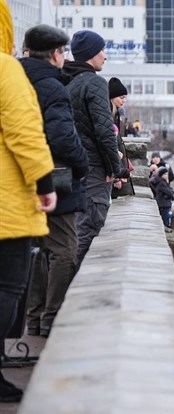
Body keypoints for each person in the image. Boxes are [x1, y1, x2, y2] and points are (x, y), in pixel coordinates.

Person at [0, 2, 57, 400]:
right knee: (7, 287)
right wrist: (44, 181)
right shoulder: (6, 71)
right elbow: (24, 132)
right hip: (5, 206)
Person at [19, 24, 89, 338]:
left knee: (36, 250)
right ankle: (52, 317)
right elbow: (62, 137)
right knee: (65, 250)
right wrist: (82, 163)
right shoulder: (52, 87)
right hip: (53, 179)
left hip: (19, 178)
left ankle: (33, 319)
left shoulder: (15, 80)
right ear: (56, 55)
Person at [64, 29, 121, 265]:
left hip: (71, 168)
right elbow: (105, 132)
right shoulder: (95, 84)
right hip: (94, 171)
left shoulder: (67, 82)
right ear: (90, 54)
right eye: (102, 51)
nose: (105, 56)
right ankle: (72, 294)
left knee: (72, 233)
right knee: (89, 230)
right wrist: (114, 168)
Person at [108, 77, 134, 198]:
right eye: (121, 98)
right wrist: (116, 177)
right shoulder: (109, 114)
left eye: (125, 98)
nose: (123, 101)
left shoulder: (117, 114)